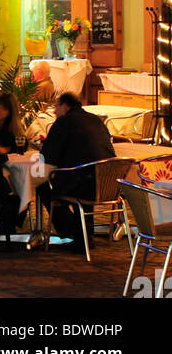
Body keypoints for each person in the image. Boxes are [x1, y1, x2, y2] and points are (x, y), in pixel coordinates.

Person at [38, 92, 115, 243]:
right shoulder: (96, 120)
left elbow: (48, 156)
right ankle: (86, 231)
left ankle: (74, 231)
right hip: (108, 182)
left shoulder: (64, 122)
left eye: (56, 106)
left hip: (80, 183)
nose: (54, 111)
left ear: (65, 106)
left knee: (42, 185)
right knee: (84, 172)